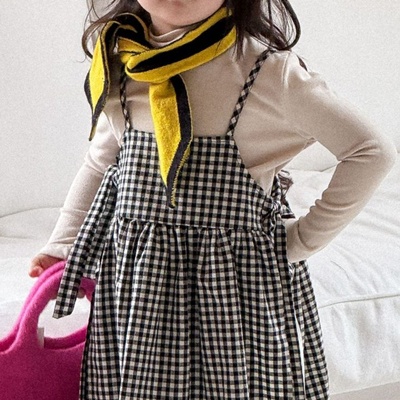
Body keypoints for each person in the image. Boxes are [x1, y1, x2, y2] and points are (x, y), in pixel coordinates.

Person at [29, 0, 396, 398]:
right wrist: (62, 244)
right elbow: (101, 161)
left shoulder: (265, 70)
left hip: (232, 290)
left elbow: (370, 151)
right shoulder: (120, 62)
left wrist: (301, 241)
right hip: (138, 285)